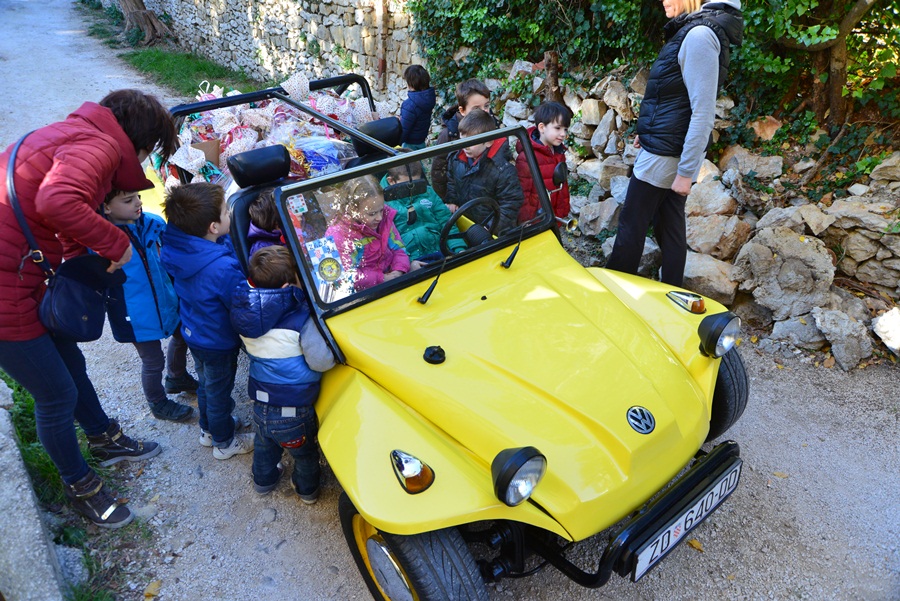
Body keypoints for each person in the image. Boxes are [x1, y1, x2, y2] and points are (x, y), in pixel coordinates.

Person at [0, 89, 175, 529]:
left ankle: (103, 438)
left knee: (69, 362)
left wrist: (85, 253)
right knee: (54, 392)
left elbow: (57, 208)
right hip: (6, 287)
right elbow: (57, 200)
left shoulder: (76, 133)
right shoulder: (99, 146)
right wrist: (117, 244)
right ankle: (81, 488)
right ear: (142, 141)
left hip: (21, 272)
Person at [605, 0, 743, 286]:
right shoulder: (694, 31)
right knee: (670, 229)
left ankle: (612, 294)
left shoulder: (699, 36)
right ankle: (673, 294)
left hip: (666, 156)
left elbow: (703, 112)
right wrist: (649, 130)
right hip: (666, 149)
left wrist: (686, 172)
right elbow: (671, 99)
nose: (664, 0)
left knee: (632, 224)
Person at [230, 246, 335, 503]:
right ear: (289, 284)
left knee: (265, 446)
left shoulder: (245, 315)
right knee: (304, 452)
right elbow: (321, 362)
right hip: (294, 409)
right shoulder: (301, 319)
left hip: (261, 402)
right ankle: (307, 490)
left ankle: (263, 481)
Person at [160, 182, 253, 460]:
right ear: (213, 227)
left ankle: (209, 430)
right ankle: (224, 443)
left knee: (207, 385)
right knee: (219, 391)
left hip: (195, 331)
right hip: (217, 340)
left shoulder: (180, 248)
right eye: (226, 212)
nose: (230, 215)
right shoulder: (222, 268)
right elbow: (241, 304)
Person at [101, 189, 196, 422]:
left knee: (184, 334)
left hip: (167, 300)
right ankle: (157, 402)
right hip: (134, 312)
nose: (138, 202)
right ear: (106, 207)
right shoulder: (100, 239)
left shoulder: (153, 222)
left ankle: (177, 376)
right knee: (153, 361)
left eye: (138, 196)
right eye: (128, 200)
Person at [325, 175, 411, 291]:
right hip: (364, 293)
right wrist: (382, 278)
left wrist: (399, 270)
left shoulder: (384, 219)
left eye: (381, 210)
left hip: (392, 280)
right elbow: (343, 277)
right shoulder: (338, 235)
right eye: (372, 214)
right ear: (352, 210)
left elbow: (398, 248)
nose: (379, 217)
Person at [446, 109, 524, 235]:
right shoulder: (455, 160)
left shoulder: (503, 171)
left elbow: (511, 203)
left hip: (491, 232)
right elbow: (452, 182)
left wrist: (489, 227)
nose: (465, 146)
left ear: (488, 142)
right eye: (462, 139)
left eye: (471, 142)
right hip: (464, 224)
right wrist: (452, 201)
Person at [383, 158, 465, 261]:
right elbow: (386, 242)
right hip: (411, 260)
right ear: (391, 181)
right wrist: (407, 264)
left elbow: (446, 222)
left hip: (440, 251)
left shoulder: (428, 193)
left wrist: (458, 249)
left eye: (417, 184)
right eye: (406, 186)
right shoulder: (382, 205)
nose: (413, 189)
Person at [431, 78, 493, 203]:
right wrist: (449, 200)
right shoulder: (449, 135)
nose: (485, 111)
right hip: (459, 199)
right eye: (477, 108)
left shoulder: (492, 127)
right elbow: (438, 172)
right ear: (462, 110)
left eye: (486, 106)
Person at [515, 101, 572, 222]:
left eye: (565, 129)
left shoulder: (558, 152)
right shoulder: (527, 157)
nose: (563, 134)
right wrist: (526, 221)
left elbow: (563, 185)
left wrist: (563, 210)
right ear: (542, 127)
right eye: (557, 128)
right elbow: (523, 192)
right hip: (536, 218)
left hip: (554, 214)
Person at [399, 65, 436, 151]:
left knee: (409, 164)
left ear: (410, 83)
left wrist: (396, 143)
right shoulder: (429, 99)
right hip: (421, 141)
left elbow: (404, 130)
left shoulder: (409, 105)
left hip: (409, 144)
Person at [247, 188, 285, 257]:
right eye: (288, 210)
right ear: (275, 222)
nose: (299, 214)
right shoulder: (262, 249)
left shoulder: (303, 227)